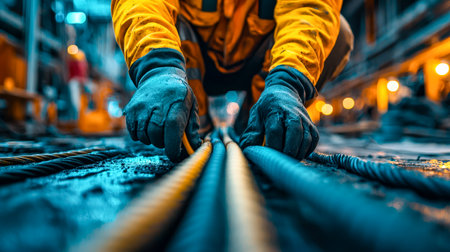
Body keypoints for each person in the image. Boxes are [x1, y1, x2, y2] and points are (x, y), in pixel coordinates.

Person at [111, 0, 353, 161]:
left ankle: (259, 124)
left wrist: (286, 84)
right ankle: (192, 120)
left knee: (338, 33)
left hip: (262, 59)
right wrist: (159, 69)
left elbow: (309, 9)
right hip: (188, 59)